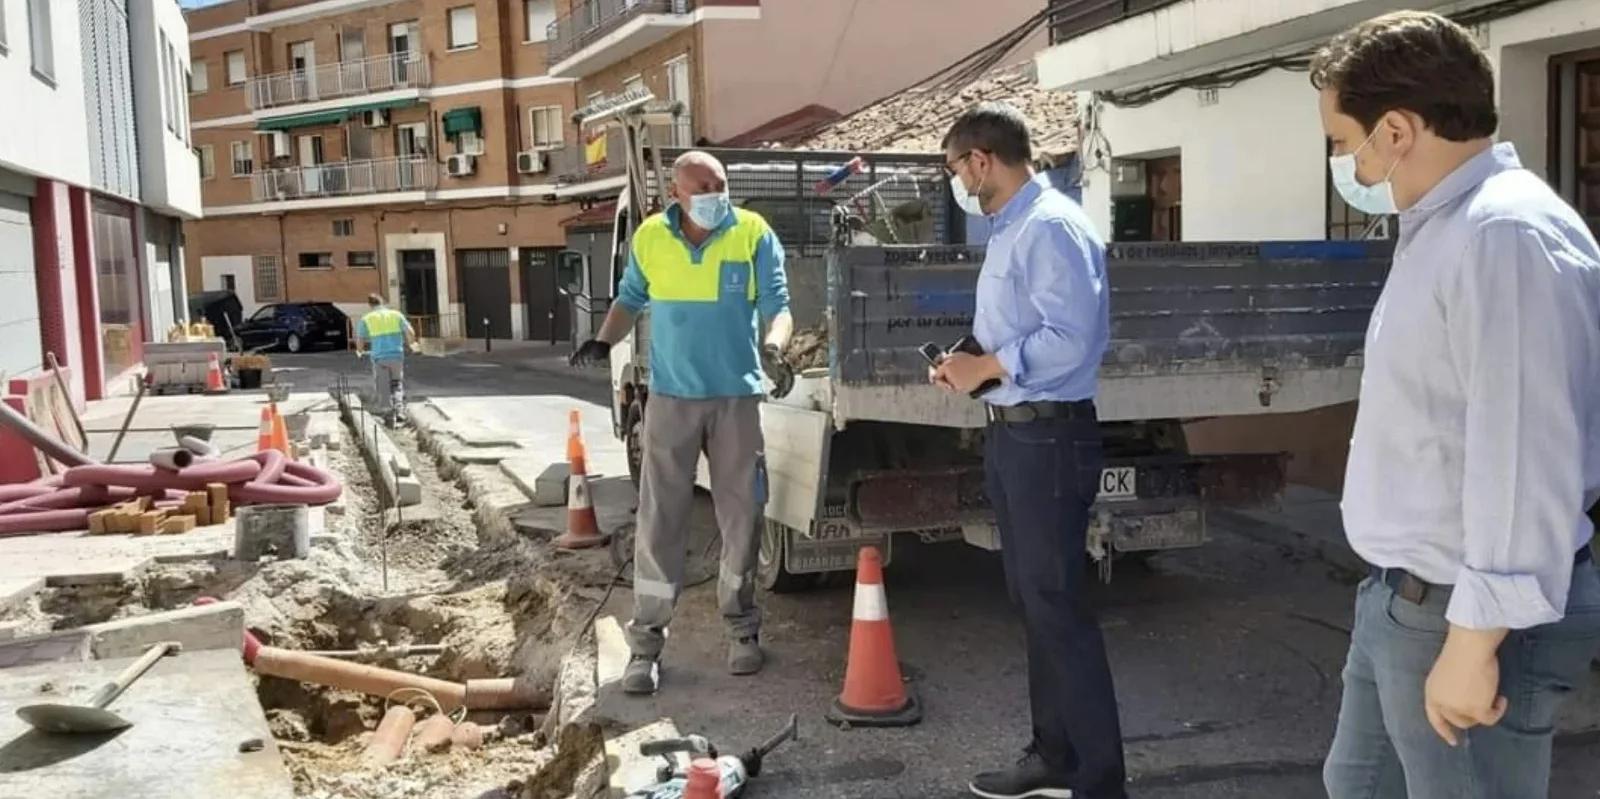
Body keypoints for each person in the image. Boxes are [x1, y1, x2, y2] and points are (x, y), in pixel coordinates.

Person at [1313, 12, 1600, 798]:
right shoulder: (1445, 228)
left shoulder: (1500, 236)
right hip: (1405, 596)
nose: (1343, 160)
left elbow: (1525, 452)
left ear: (1396, 130)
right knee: (1357, 783)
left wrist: (1475, 642)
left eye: (1343, 140)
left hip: (1468, 613)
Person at [932, 102, 1127, 799]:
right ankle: (1055, 754)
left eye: (956, 168)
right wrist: (972, 359)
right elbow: (1023, 327)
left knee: (1058, 606)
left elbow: (1073, 338)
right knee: (1037, 599)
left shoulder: (1049, 226)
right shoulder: (1014, 228)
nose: (956, 181)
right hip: (1017, 433)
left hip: (1048, 436)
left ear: (981, 161)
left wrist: (989, 367)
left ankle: (1099, 780)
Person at [569, 150, 794, 694]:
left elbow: (779, 305)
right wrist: (604, 340)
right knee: (659, 521)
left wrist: (774, 346)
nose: (719, 194)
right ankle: (645, 645)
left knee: (744, 517)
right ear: (677, 194)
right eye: (706, 186)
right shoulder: (650, 238)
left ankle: (742, 631)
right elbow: (629, 299)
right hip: (671, 400)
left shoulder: (751, 231)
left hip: (736, 400)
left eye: (722, 184)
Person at [353, 293, 417, 426]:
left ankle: (389, 416)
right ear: (382, 302)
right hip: (396, 356)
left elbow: (360, 340)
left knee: (383, 387)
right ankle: (399, 411)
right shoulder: (396, 315)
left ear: (370, 305)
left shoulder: (367, 318)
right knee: (396, 384)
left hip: (379, 358)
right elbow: (410, 332)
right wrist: (412, 344)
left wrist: (359, 351)